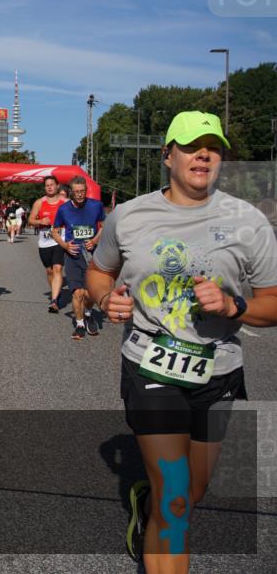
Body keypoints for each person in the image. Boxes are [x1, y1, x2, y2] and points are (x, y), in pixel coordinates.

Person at [86, 111, 277, 571]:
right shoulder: (130, 216)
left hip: (218, 371)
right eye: (192, 146)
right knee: (176, 501)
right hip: (151, 365)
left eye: (213, 147)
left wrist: (235, 308)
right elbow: (98, 270)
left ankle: (145, 504)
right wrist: (104, 298)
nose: (204, 154)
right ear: (168, 156)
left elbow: (272, 300)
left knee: (190, 493)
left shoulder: (247, 220)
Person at [52, 176, 105, 339]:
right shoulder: (64, 209)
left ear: (86, 191)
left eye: (82, 191)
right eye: (76, 192)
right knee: (78, 293)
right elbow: (54, 231)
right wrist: (65, 245)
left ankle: (88, 312)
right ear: (71, 193)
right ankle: (80, 324)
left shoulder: (96, 206)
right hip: (73, 255)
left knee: (90, 294)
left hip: (91, 255)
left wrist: (95, 240)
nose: (80, 195)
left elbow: (104, 226)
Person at [29, 175, 67, 313]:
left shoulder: (65, 202)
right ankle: (56, 291)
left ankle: (54, 300)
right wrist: (40, 222)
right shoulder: (39, 203)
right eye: (47, 185)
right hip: (44, 242)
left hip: (60, 241)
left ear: (57, 186)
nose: (50, 187)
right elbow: (31, 220)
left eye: (52, 184)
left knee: (57, 269)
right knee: (49, 271)